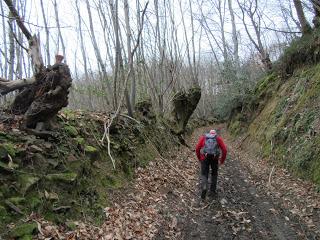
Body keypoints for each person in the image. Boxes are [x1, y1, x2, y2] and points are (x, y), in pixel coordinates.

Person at [195, 129, 227, 200]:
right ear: (215, 134)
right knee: (214, 173)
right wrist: (221, 160)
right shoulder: (218, 138)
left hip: (204, 158)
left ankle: (204, 187)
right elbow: (224, 150)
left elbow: (197, 148)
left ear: (209, 133)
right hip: (214, 159)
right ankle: (212, 191)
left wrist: (199, 158)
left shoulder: (204, 138)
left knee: (204, 173)